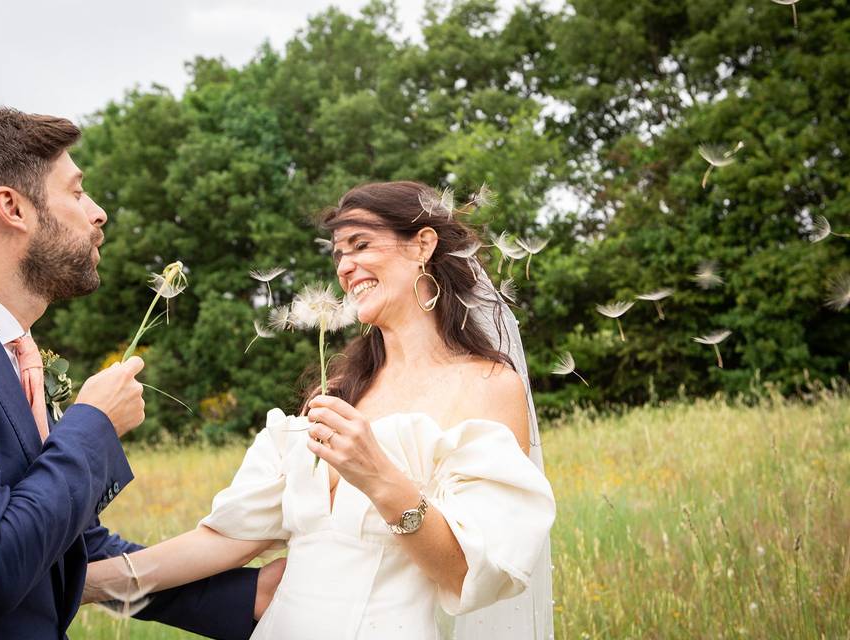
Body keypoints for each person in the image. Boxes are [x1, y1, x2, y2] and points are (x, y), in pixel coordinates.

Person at [85, 181, 556, 639]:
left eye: (361, 245)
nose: (345, 267)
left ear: (422, 246)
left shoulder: (487, 387)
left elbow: (464, 575)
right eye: (338, 255)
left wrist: (380, 478)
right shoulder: (336, 394)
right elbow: (223, 543)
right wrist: (74, 586)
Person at [0, 108, 283, 640]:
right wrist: (92, 423)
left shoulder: (14, 355)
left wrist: (245, 597)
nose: (98, 213)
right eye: (76, 192)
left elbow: (63, 545)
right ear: (11, 207)